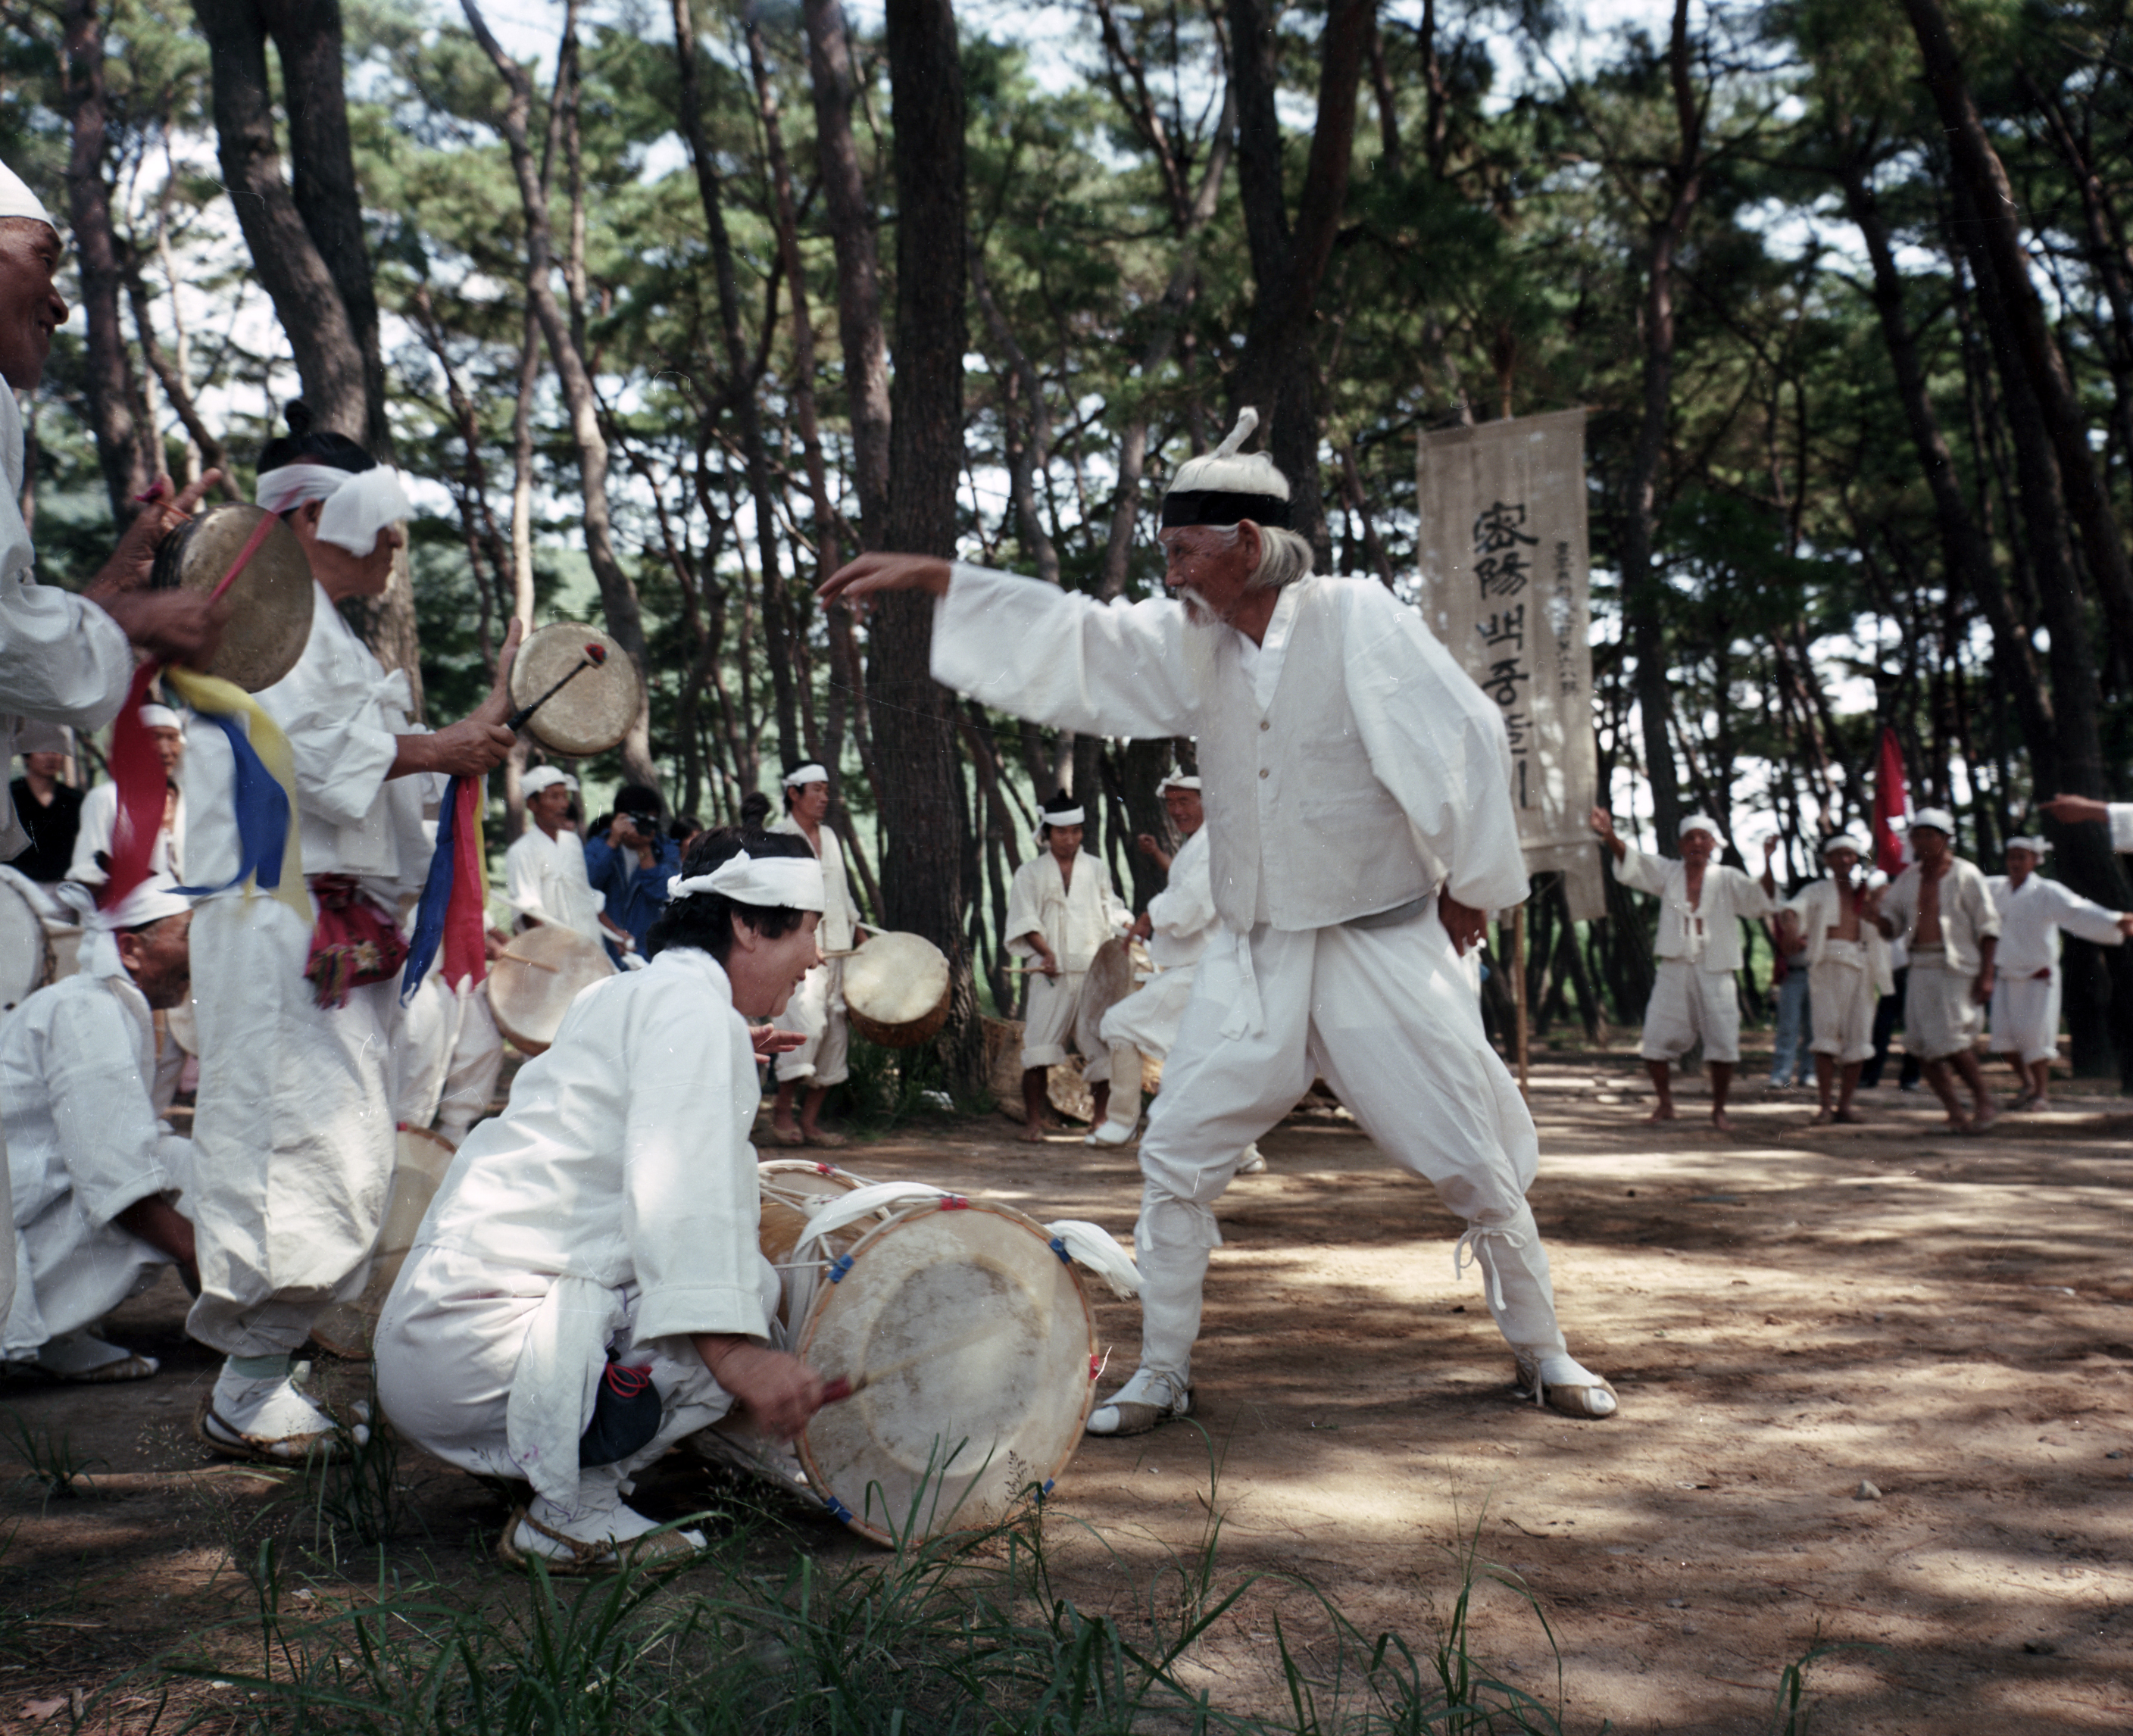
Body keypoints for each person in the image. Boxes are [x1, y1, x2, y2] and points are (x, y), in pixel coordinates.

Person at [820, 405, 1616, 1431]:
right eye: (1165, 547)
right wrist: (939, 578)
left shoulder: (1353, 615)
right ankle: (1165, 1366)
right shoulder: (1192, 642)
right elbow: (1082, 638)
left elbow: (1457, 735)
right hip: (1252, 952)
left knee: (1470, 1147)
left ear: (1245, 543)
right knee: (1178, 1148)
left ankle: (1544, 1349)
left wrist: (1472, 883)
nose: (1172, 568)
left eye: (1184, 547)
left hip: (1380, 938)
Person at [180, 404, 521, 1461]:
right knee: (293, 1142)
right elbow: (325, 769)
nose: (392, 547)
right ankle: (246, 1387)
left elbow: (367, 787)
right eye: (378, 523)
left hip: (330, 924)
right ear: (317, 518)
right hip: (280, 914)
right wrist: (448, 745)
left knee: (344, 1145)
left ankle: (267, 1371)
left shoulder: (325, 637)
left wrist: (469, 740)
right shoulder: (266, 629)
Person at [375, 829, 836, 1572]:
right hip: (482, 1359)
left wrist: (721, 1044)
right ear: (748, 924)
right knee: (748, 1290)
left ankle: (546, 1458)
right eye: (810, 930)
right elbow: (678, 1194)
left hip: (436, 1345)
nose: (815, 956)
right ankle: (570, 1510)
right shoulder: (693, 1017)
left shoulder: (627, 993)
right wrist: (735, 1356)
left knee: (705, 1292)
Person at [0, 157, 222, 1330]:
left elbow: (27, 675)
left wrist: (125, 569)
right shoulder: (99, 1001)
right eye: (43, 260)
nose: (61, 301)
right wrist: (135, 619)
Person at [0, 876, 196, 1380]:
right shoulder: (85, 1011)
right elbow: (116, 1176)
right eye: (189, 935)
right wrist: (200, 1254)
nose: (202, 953)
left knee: (184, 1164)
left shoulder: (101, 1003)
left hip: (23, 1209)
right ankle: (45, 1338)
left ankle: (57, 1329)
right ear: (129, 949)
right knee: (141, 1191)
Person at [1088, 773, 1265, 1172]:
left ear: (1207, 800)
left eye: (1186, 801)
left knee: (1118, 1023)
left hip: (1202, 968)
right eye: (1172, 803)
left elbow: (1189, 911)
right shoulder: (1202, 844)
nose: (1177, 811)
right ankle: (1243, 1151)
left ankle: (1120, 1122)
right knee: (1203, 1059)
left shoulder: (1216, 844)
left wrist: (1153, 914)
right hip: (1203, 967)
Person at [1590, 808, 1779, 1132]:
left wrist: (1768, 860)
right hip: (1675, 967)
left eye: (1703, 837)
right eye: (1689, 837)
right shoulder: (1668, 872)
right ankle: (1665, 1103)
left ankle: (1719, 1110)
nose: (1696, 843)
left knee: (1723, 1039)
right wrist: (1609, 834)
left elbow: (1760, 899)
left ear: (1713, 844)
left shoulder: (1728, 878)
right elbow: (1633, 859)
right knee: (1654, 1038)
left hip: (1716, 969)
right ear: (1679, 845)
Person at [1004, 791, 1130, 1144]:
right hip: (1051, 973)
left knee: (1101, 1046)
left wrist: (1125, 929)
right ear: (1047, 833)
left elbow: (1112, 908)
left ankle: (1099, 1121)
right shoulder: (1029, 873)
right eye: (1062, 833)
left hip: (1093, 971)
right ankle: (1034, 1123)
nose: (1070, 839)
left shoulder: (1097, 868)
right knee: (1039, 1048)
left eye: (1076, 832)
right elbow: (1025, 919)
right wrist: (1045, 953)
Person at [1873, 808, 2000, 1132]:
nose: (1924, 841)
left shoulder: (1966, 874)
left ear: (1946, 838)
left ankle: (1984, 1101)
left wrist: (1987, 975)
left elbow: (1988, 928)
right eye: (1919, 834)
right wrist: (1877, 914)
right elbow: (1892, 927)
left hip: (1957, 966)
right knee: (1919, 1044)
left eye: (1932, 834)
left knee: (1954, 1041)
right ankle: (1955, 1111)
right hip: (1920, 966)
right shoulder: (1908, 878)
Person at [1985, 835, 2131, 1110]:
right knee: (2004, 1040)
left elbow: (2078, 911)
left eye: (2022, 857)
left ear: (2034, 860)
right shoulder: (1994, 889)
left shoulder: (2046, 891)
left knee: (2036, 1038)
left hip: (2039, 976)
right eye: (2012, 856)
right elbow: (1965, 892)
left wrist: (2114, 921)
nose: (2015, 862)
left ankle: (2041, 1093)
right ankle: (2027, 1084)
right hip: (2006, 973)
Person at [769, 762, 861, 1147]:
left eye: (827, 790)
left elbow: (841, 892)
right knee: (807, 1027)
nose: (825, 798)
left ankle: (810, 1122)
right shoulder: (777, 837)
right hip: (799, 951)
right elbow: (775, 902)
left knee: (836, 1031)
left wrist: (857, 931)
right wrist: (806, 943)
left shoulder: (830, 838)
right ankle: (781, 1114)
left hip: (839, 948)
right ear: (794, 793)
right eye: (816, 790)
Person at [1779, 834, 1891, 1125]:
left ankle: (1845, 1104)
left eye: (1850, 855)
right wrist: (1791, 927)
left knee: (1859, 1036)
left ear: (1856, 859)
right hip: (1827, 964)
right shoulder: (1815, 891)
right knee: (1825, 1035)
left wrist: (1878, 905)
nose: (1844, 860)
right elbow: (1793, 909)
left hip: (1861, 964)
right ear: (1827, 860)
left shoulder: (1866, 892)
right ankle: (1826, 1105)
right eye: (1838, 855)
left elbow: (1889, 921)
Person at [504, 767, 620, 948]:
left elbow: (585, 894)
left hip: (590, 943)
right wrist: (555, 954)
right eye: (554, 797)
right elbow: (529, 912)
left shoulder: (572, 841)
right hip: (554, 952)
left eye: (564, 796)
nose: (564, 804)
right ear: (533, 805)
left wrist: (615, 933)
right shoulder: (521, 851)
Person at [69, 703, 186, 884]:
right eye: (155, 737)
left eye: (172, 738)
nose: (165, 751)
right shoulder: (105, 798)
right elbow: (87, 871)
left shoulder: (187, 800)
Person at [585, 783, 679, 958]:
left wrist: (645, 849)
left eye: (651, 821)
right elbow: (587, 886)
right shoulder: (599, 846)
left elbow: (663, 893)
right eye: (640, 820)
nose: (645, 826)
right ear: (621, 818)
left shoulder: (666, 850)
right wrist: (612, 842)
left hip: (647, 951)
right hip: (606, 949)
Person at [8, 735, 80, 882]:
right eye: (43, 751)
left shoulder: (74, 799)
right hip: (16, 884)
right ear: (27, 757)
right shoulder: (10, 796)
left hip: (63, 885)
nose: (51, 757)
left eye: (56, 751)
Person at [1764, 903, 1811, 1091]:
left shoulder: (1820, 915)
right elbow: (1787, 947)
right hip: (1792, 975)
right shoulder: (1783, 918)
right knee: (1787, 1027)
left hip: (1816, 975)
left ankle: (1809, 1073)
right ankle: (1781, 1074)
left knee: (1813, 1028)